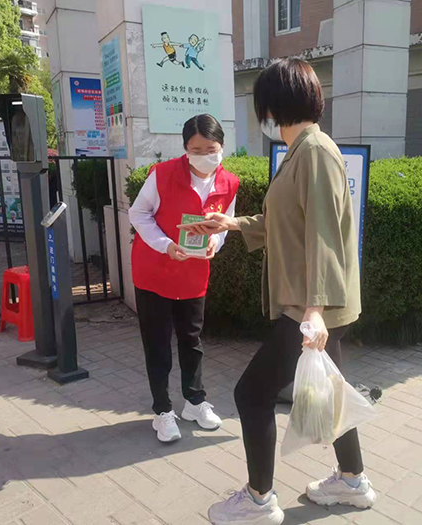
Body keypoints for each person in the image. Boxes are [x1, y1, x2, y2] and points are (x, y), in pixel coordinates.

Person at [189, 59, 375, 525]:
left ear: (272, 105)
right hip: (316, 304)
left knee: (251, 395)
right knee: (331, 394)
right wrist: (231, 222)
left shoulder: (314, 152)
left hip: (309, 306)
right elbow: (283, 222)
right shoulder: (301, 150)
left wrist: (314, 310)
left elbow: (323, 233)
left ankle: (258, 500)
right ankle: (352, 481)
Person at [129, 114, 238, 442]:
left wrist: (215, 243)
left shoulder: (229, 183)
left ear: (222, 147)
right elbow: (138, 213)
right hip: (155, 272)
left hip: (193, 274)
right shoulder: (162, 175)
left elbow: (226, 223)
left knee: (192, 340)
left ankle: (194, 401)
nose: (204, 156)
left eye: (211, 149)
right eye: (196, 150)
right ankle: (162, 411)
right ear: (185, 149)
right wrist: (165, 245)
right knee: (158, 344)